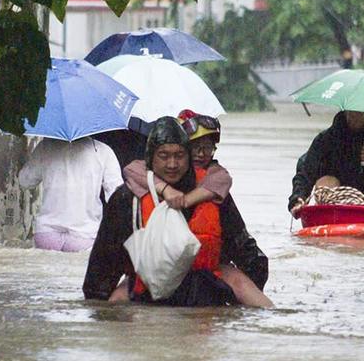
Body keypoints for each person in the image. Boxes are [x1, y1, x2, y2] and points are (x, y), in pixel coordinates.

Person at [83, 116, 267, 306]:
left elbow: (247, 253)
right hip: (147, 286)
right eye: (163, 156)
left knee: (258, 300)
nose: (172, 164)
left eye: (179, 156)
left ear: (189, 157)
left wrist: (244, 300)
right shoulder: (126, 200)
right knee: (113, 303)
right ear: (150, 158)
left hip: (205, 286)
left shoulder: (214, 193)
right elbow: (102, 268)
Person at [289, 110, 364, 217]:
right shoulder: (325, 140)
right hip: (332, 209)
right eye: (352, 112)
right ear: (345, 111)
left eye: (361, 112)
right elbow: (305, 172)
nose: (355, 116)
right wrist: (298, 199)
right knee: (328, 181)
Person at [18, 137, 123, 252]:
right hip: (84, 236)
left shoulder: (45, 146)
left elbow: (25, 181)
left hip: (46, 234)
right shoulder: (103, 151)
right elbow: (117, 196)